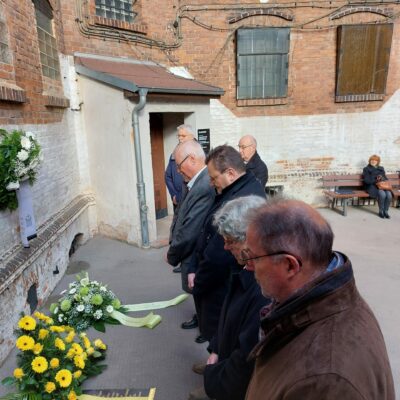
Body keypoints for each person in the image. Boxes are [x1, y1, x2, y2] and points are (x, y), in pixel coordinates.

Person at [244, 199, 395, 400]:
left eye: (253, 257)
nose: (248, 266)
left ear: (290, 266)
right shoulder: (331, 296)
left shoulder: (326, 381)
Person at [188, 196, 269, 400]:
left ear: (249, 239)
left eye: (230, 241)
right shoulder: (245, 266)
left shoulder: (264, 288)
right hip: (228, 362)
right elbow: (229, 314)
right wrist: (216, 349)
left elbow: (246, 356)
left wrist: (214, 379)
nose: (225, 247)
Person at [188, 145, 266, 344]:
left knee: (223, 331)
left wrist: (199, 282)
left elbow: (219, 254)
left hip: (223, 280)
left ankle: (216, 365)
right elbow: (207, 230)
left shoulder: (244, 196)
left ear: (230, 173)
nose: (212, 184)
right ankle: (215, 359)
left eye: (214, 178)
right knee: (221, 331)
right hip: (220, 279)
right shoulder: (234, 189)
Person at [167, 140, 215, 330]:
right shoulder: (196, 181)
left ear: (193, 159)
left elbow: (191, 230)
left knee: (203, 292)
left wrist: (172, 254)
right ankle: (202, 320)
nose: (178, 171)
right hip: (194, 254)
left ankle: (206, 328)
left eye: (179, 166)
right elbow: (182, 214)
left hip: (197, 253)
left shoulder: (204, 185)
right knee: (199, 293)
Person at [165, 124, 195, 211]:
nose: (180, 138)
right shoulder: (174, 154)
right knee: (177, 223)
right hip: (177, 200)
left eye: (183, 136)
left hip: (192, 199)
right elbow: (168, 176)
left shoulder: (199, 153)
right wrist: (174, 195)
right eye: (178, 135)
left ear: (191, 136)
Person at [363, 154, 393, 219]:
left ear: (378, 161)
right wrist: (376, 179)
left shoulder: (381, 168)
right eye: (372, 160)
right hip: (372, 186)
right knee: (382, 194)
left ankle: (386, 211)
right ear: (369, 160)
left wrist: (382, 178)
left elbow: (385, 178)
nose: (373, 161)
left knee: (389, 194)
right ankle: (381, 211)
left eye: (375, 160)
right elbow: (367, 181)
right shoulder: (366, 169)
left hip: (381, 186)